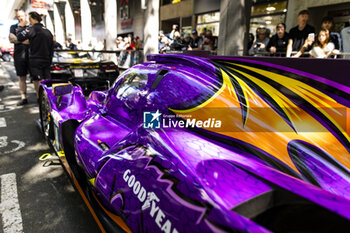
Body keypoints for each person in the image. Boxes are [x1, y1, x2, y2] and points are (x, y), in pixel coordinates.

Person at [16, 11, 54, 98]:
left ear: (34, 19)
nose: (29, 21)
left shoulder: (32, 29)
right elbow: (52, 48)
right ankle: (49, 99)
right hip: (47, 59)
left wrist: (20, 27)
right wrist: (50, 59)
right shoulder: (48, 31)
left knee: (37, 81)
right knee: (47, 80)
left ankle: (40, 99)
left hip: (35, 59)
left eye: (30, 19)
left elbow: (19, 37)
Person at [9, 9, 30, 106]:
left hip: (32, 55)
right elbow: (11, 39)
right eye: (18, 16)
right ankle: (24, 97)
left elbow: (32, 41)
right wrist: (23, 40)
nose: (20, 18)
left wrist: (18, 39)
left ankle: (40, 97)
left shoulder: (31, 27)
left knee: (36, 78)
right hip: (19, 56)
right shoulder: (13, 27)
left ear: (25, 15)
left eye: (22, 15)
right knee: (22, 77)